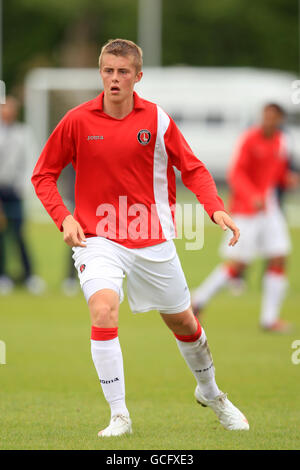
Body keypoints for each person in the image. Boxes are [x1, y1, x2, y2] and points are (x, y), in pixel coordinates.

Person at [31, 38, 249, 437]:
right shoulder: (77, 120)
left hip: (152, 238)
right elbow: (43, 174)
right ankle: (120, 416)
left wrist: (214, 207)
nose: (115, 79)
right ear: (101, 73)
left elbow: (194, 169)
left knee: (183, 322)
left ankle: (212, 393)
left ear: (138, 76)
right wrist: (63, 218)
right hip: (98, 239)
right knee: (102, 311)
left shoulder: (158, 120)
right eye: (109, 71)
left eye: (123, 72)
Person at [192, 103, 299, 333]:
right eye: (266, 116)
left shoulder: (282, 141)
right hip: (247, 209)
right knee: (239, 264)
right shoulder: (250, 139)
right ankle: (198, 300)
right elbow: (236, 173)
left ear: (279, 119)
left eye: (273, 117)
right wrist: (252, 195)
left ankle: (269, 320)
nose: (268, 120)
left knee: (279, 257)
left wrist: (287, 179)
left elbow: (277, 172)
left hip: (268, 207)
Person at [0, 96, 45, 295]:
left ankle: (28, 275)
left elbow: (30, 161)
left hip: (15, 190)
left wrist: (23, 186)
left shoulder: (23, 133)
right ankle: (3, 275)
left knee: (18, 233)